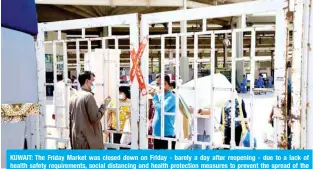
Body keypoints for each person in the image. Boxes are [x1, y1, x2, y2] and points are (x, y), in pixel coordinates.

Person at [69, 71, 110, 149]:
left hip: (77, 139)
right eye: (92, 80)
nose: (93, 83)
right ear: (87, 81)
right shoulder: (88, 96)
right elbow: (95, 118)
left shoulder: (74, 96)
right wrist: (104, 105)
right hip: (88, 141)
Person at [151, 74, 176, 149]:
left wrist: (154, 97)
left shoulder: (171, 97)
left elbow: (161, 109)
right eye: (157, 84)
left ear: (166, 83)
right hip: (157, 134)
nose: (158, 86)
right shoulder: (161, 96)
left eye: (159, 84)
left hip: (167, 135)